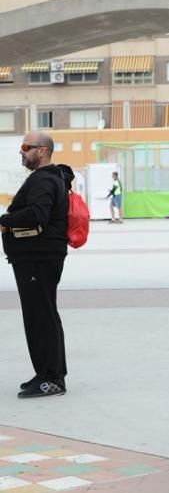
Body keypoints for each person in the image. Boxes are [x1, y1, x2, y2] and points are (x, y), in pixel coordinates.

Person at [0, 131, 71, 398]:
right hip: (38, 257)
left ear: (41, 151)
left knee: (40, 317)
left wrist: (4, 220)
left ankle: (51, 379)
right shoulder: (50, 177)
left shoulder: (43, 179)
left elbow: (37, 214)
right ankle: (48, 373)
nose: (21, 151)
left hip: (37, 258)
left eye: (26, 147)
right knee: (44, 315)